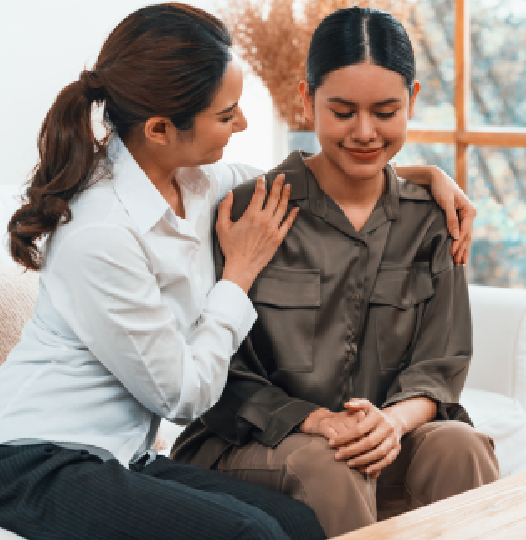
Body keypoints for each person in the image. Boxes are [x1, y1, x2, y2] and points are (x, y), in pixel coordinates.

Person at [0, 4, 475, 540]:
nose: (244, 123)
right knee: (255, 535)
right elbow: (182, 397)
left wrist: (421, 176)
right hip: (36, 460)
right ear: (160, 128)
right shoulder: (102, 233)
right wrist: (239, 276)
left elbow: (311, 182)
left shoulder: (198, 182)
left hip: (120, 454)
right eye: (227, 116)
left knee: (296, 522)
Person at [170, 7, 499, 538]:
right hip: (261, 445)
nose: (365, 132)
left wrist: (390, 423)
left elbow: (440, 365)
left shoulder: (435, 219)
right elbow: (223, 378)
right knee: (332, 460)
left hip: (385, 440)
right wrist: (320, 421)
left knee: (459, 446)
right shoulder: (249, 212)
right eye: (342, 111)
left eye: (386, 111)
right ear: (307, 100)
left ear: (412, 101)